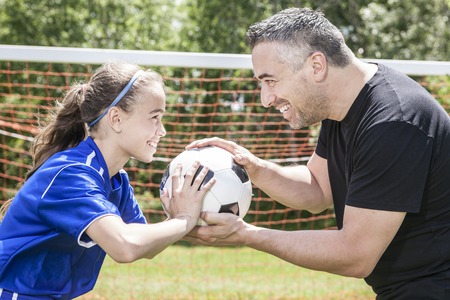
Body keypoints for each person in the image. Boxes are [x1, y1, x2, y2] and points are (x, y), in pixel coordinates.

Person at [185, 7, 450, 299]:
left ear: (316, 66)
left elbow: (355, 254)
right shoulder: (341, 107)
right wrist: (254, 168)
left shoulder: (394, 121)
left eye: (271, 80)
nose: (266, 99)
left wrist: (245, 234)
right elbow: (317, 189)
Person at [0, 62, 215, 299]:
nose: (162, 130)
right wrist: (184, 219)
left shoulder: (115, 180)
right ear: (116, 119)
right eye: (154, 117)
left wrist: (179, 217)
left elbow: (143, 243)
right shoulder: (72, 174)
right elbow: (125, 246)